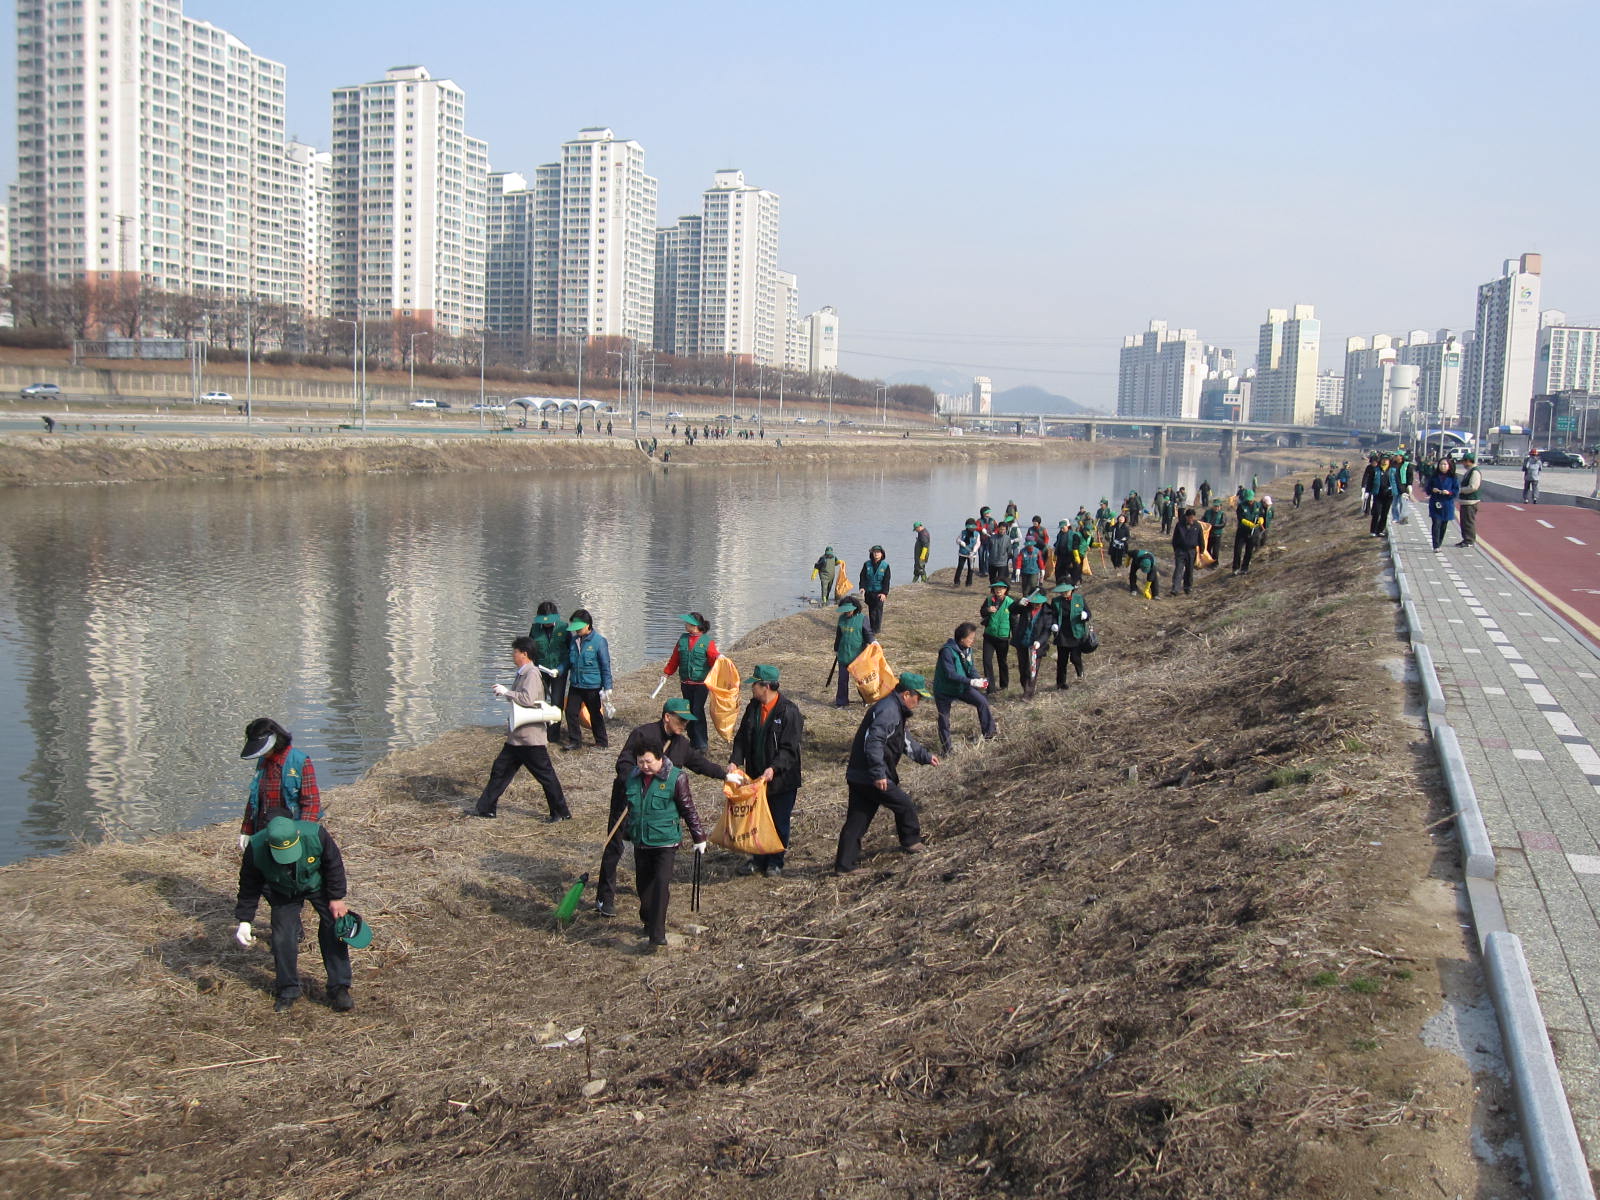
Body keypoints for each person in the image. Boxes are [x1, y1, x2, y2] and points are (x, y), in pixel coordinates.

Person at [595, 698, 725, 917]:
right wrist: (635, 785)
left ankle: (648, 896)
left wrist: (726, 775)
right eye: (681, 720)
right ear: (667, 717)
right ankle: (604, 898)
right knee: (614, 846)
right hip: (629, 801)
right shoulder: (642, 734)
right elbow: (624, 763)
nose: (685, 725)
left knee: (650, 851)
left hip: (655, 810)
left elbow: (700, 764)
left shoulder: (681, 744)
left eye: (687, 721)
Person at [233, 814, 354, 1013]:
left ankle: (339, 987)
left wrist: (336, 898)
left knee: (334, 927)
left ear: (298, 836)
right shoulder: (256, 849)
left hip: (316, 884)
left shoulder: (316, 835)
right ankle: (288, 989)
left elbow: (333, 865)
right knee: (282, 937)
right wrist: (245, 920)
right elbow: (248, 885)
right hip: (282, 890)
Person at [834, 673, 940, 874]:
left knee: (857, 819)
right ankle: (911, 842)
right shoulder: (889, 711)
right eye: (918, 698)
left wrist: (925, 756)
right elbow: (873, 742)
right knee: (904, 804)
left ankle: (844, 865)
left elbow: (904, 741)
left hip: (859, 774)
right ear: (907, 694)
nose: (919, 703)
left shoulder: (893, 709)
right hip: (869, 776)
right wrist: (878, 774)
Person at [620, 747, 707, 952]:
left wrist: (699, 836)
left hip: (665, 842)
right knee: (643, 885)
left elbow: (688, 808)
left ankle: (657, 934)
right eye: (641, 762)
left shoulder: (676, 778)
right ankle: (648, 921)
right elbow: (631, 809)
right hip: (641, 841)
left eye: (648, 761)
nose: (645, 766)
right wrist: (626, 835)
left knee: (660, 883)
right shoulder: (633, 778)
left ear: (660, 759)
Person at [475, 636, 569, 821]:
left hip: (529, 738)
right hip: (518, 737)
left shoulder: (532, 674)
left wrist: (506, 692)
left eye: (515, 652)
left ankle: (560, 812)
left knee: (545, 775)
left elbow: (527, 699)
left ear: (524, 654)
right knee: (500, 770)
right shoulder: (523, 673)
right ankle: (486, 808)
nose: (513, 655)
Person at [729, 665, 805, 878]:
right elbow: (742, 738)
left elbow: (789, 750)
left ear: (766, 687)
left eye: (755, 684)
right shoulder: (753, 708)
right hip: (757, 777)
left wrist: (773, 769)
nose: (751, 688)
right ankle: (757, 858)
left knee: (778, 821)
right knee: (758, 820)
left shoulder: (789, 711)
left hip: (782, 780)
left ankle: (775, 861)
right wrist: (735, 761)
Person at [237, 718, 321, 851]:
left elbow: (311, 802)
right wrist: (246, 830)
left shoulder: (299, 761)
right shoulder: (263, 761)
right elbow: (254, 798)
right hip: (263, 829)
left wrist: (303, 833)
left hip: (289, 832)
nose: (262, 754)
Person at [932, 622, 995, 753]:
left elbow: (970, 668)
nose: (973, 641)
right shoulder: (947, 651)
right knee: (944, 718)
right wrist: (971, 682)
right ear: (962, 638)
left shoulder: (968, 650)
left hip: (961, 686)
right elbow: (950, 674)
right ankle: (947, 749)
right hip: (944, 690)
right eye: (971, 638)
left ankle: (990, 734)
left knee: (982, 702)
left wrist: (978, 679)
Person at [662, 612, 718, 751]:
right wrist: (667, 673)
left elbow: (713, 660)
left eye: (687, 623)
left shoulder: (707, 642)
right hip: (686, 683)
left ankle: (702, 743)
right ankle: (693, 740)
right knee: (688, 711)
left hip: (700, 684)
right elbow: (675, 658)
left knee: (697, 710)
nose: (685, 625)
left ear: (695, 626)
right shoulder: (682, 639)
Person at [561, 609, 612, 750]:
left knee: (595, 714)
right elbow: (568, 661)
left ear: (588, 625)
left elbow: (605, 665)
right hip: (576, 684)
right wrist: (559, 670)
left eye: (579, 628)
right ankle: (575, 741)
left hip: (592, 685)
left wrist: (608, 687)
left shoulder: (599, 642)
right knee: (570, 712)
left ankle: (601, 742)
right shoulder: (573, 641)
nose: (576, 631)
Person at [528, 603, 570, 743]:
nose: (546, 624)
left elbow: (571, 653)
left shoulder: (564, 628)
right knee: (538, 700)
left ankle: (553, 735)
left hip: (558, 671)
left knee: (556, 701)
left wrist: (560, 669)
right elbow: (530, 651)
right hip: (541, 670)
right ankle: (539, 730)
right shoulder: (535, 629)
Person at [1009, 590, 1051, 698]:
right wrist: (1018, 602)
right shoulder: (1025, 607)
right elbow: (1011, 610)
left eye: (1039, 603)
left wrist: (1040, 641)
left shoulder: (1048, 611)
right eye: (1034, 603)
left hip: (1036, 644)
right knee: (1023, 668)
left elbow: (1047, 630)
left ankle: (1028, 693)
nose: (1036, 605)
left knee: (1032, 670)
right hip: (1022, 641)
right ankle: (1025, 687)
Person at [833, 594, 873, 707]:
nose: (847, 613)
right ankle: (841, 702)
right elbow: (839, 635)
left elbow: (868, 634)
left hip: (858, 657)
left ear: (855, 608)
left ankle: (866, 699)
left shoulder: (863, 619)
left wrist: (872, 644)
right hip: (844, 655)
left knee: (861, 681)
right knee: (842, 680)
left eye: (849, 611)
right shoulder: (841, 619)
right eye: (845, 611)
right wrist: (836, 648)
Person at [1049, 582, 1091, 689]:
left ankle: (1080, 676)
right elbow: (1053, 615)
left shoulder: (1079, 599)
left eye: (1066, 591)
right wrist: (1053, 624)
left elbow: (1088, 613)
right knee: (1062, 660)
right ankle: (1061, 683)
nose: (1064, 593)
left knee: (1075, 657)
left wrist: (1085, 615)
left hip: (1076, 633)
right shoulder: (1056, 602)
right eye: (1062, 591)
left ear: (1071, 590)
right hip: (1062, 634)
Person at [978, 580, 1013, 694]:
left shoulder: (1010, 602)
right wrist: (988, 610)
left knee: (1002, 661)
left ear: (1006, 589)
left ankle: (1004, 684)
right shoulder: (989, 600)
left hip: (1003, 637)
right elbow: (982, 612)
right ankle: (991, 688)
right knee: (987, 661)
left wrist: (1015, 636)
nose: (998, 590)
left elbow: (1014, 620)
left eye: (1001, 588)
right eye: (996, 588)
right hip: (989, 635)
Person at [1428, 456, 1459, 551]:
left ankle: (1439, 542)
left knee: (1443, 525)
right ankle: (1436, 545)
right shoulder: (1434, 476)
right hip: (1435, 502)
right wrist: (1432, 489)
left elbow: (1456, 491)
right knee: (1436, 523)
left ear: (1449, 466)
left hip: (1447, 504)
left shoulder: (1453, 477)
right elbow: (1427, 488)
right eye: (1441, 464)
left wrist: (1449, 492)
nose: (1442, 466)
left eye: (1445, 464)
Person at [1171, 507, 1203, 596]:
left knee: (1189, 570)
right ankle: (1175, 588)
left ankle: (1188, 587)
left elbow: (1201, 539)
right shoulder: (1180, 525)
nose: (1192, 519)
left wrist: (1202, 551)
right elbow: (1174, 539)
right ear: (1186, 517)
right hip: (1180, 551)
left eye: (1193, 517)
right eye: (1190, 517)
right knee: (1178, 569)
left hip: (1191, 551)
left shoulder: (1197, 526)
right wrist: (1176, 550)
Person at [859, 545, 892, 633]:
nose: (876, 554)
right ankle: (872, 628)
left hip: (879, 592)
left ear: (882, 554)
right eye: (874, 552)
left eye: (878, 552)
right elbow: (863, 577)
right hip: (869, 592)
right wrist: (862, 587)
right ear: (872, 553)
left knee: (878, 610)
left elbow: (886, 581)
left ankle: (876, 629)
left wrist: (884, 593)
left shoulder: (885, 566)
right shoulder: (867, 564)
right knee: (871, 610)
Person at [1232, 490, 1264, 575]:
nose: (1250, 501)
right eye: (1248, 499)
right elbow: (1240, 518)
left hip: (1254, 531)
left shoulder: (1258, 505)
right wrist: (1248, 523)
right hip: (1242, 531)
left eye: (1251, 499)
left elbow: (1261, 514)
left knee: (1249, 550)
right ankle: (1236, 567)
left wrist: (1261, 520)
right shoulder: (1241, 506)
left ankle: (1244, 568)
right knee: (1238, 550)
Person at [1457, 451, 1483, 547]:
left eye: (1464, 461)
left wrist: (1460, 490)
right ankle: (1465, 539)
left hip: (1470, 501)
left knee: (1468, 522)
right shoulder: (1469, 471)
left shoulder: (1475, 472)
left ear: (1468, 461)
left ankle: (1469, 540)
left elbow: (1473, 487)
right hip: (1465, 501)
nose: (1463, 464)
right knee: (1464, 521)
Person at [1369, 455, 1398, 537]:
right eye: (1383, 459)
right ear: (1380, 460)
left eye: (1387, 460)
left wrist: (1401, 491)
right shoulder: (1376, 470)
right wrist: (1367, 491)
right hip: (1378, 494)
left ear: (1389, 461)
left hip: (1388, 495)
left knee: (1384, 513)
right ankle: (1373, 530)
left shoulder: (1393, 471)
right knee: (1377, 512)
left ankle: (1380, 530)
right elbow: (1370, 481)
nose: (1385, 461)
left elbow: (1397, 482)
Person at [954, 520, 980, 588]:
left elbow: (978, 544)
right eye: (969, 527)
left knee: (970, 569)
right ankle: (957, 581)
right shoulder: (963, 533)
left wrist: (974, 551)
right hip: (962, 553)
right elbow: (957, 540)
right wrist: (961, 542)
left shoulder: (977, 534)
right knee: (960, 567)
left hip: (972, 555)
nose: (971, 529)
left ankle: (969, 583)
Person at [1203, 500, 1226, 567]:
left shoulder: (1222, 514)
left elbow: (1223, 523)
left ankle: (1215, 563)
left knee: (1216, 550)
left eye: (1218, 506)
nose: (1216, 508)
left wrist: (1214, 526)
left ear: (1220, 507)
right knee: (1208, 549)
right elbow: (1203, 519)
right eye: (1215, 506)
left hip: (1217, 534)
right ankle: (1208, 562)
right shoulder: (1207, 512)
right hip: (1208, 533)